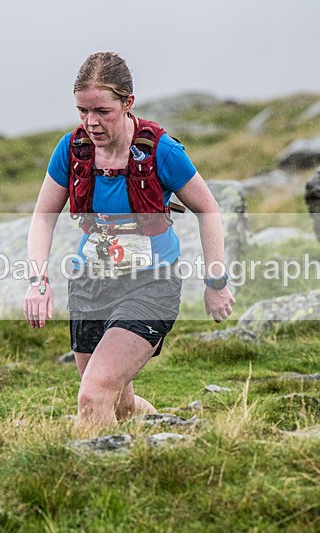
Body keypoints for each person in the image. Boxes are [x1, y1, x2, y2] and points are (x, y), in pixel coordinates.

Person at [24, 52, 235, 426]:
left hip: (150, 285)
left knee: (92, 395)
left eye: (102, 111)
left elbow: (209, 210)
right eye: (82, 111)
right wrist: (37, 281)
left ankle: (95, 476)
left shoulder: (161, 151)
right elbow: (43, 218)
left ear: (127, 104)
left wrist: (215, 281)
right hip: (90, 285)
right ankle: (161, 428)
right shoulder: (72, 151)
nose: (91, 122)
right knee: (118, 404)